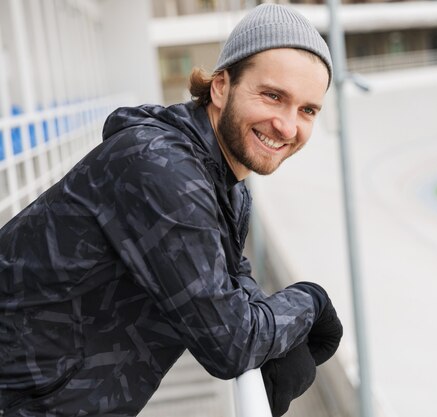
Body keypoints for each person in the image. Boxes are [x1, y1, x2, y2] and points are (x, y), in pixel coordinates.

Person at [0, 4, 342, 416]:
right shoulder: (160, 167)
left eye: (307, 110)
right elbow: (229, 342)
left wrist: (282, 336)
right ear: (220, 87)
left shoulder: (227, 186)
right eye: (273, 96)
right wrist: (312, 303)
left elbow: (233, 286)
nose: (288, 126)